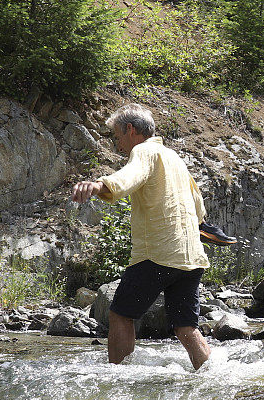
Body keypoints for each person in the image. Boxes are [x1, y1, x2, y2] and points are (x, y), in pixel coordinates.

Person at [71, 103, 212, 370]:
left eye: (117, 136)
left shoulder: (144, 151)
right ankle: (210, 375)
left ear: (131, 129)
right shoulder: (175, 158)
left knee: (120, 315)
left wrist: (100, 185)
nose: (118, 144)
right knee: (185, 327)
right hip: (191, 258)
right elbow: (199, 208)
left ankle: (118, 379)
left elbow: (130, 176)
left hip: (157, 254)